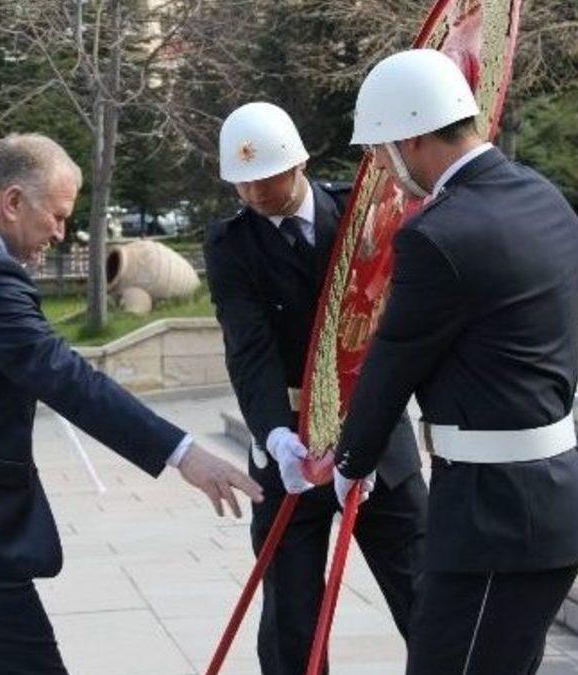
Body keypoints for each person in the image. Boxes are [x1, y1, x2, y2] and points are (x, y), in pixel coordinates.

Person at [0, 133, 263, 674]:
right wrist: (182, 452)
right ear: (13, 201)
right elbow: (64, 376)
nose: (61, 233)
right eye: (58, 215)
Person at [332, 49, 578, 674]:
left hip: (496, 519)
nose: (380, 167)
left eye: (380, 149)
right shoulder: (544, 198)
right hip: (550, 497)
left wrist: (351, 461)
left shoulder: (437, 235)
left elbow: (393, 362)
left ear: (412, 138)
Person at [204, 102, 427, 675]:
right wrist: (274, 435)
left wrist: (368, 426)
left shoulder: (362, 214)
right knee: (291, 617)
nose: (254, 194)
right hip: (291, 443)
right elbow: (247, 347)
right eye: (241, 183)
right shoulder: (231, 244)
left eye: (267, 178)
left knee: (423, 593)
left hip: (375, 433)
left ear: (299, 162)